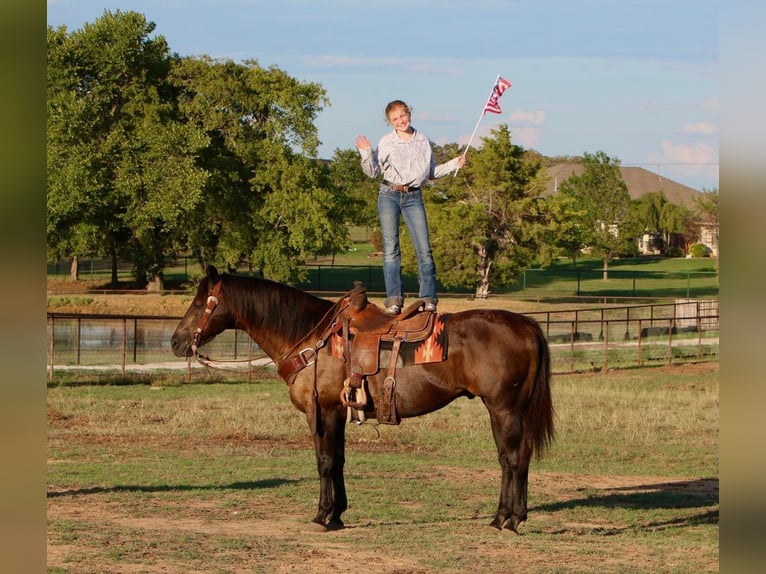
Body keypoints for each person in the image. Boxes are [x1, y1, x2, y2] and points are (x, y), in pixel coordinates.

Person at [355, 100, 466, 315]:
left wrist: (454, 164)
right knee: (391, 250)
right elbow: (373, 172)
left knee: (424, 248)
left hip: (413, 196)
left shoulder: (423, 141)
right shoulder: (386, 142)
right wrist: (366, 154)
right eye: (395, 119)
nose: (400, 121)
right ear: (390, 122)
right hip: (388, 195)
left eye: (402, 116)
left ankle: (428, 298)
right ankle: (394, 300)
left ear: (409, 114)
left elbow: (431, 172)